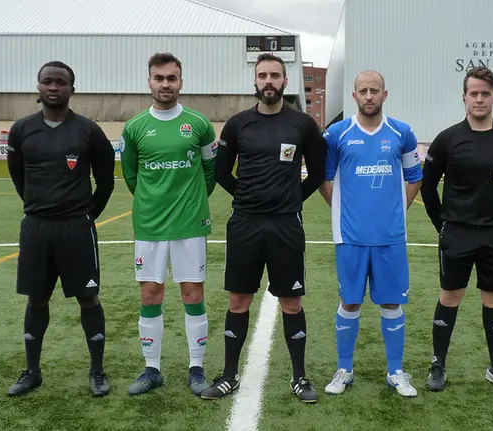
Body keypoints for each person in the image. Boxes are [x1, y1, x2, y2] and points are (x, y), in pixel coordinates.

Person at [200, 53, 327, 403]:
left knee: (291, 302)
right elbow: (222, 172)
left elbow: (317, 173)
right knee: (238, 300)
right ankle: (228, 375)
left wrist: (290, 199)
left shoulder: (302, 124)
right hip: (245, 224)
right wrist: (248, 196)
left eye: (275, 75)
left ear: (285, 82)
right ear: (254, 82)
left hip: (286, 224)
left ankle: (299, 378)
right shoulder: (238, 124)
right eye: (262, 75)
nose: (268, 81)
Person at [6, 61, 116, 397]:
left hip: (76, 230)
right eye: (47, 82)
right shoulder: (22, 130)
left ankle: (97, 372)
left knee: (88, 297)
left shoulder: (88, 131)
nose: (53, 87)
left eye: (61, 82)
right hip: (37, 229)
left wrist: (84, 215)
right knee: (36, 298)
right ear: (38, 88)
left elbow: (107, 182)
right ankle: (32, 371)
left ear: (72, 89)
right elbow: (18, 178)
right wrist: (39, 207)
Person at [420, 66, 493, 393]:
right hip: (456, 233)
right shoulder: (448, 139)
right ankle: (438, 364)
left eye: (485, 93)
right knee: (450, 297)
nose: (479, 99)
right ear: (464, 97)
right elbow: (428, 188)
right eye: (474, 93)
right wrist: (442, 223)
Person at [319, 70, 423, 398]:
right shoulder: (336, 133)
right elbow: (323, 178)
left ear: (384, 94)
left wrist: (396, 211)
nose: (368, 96)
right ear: (354, 96)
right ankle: (344, 369)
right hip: (349, 236)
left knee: (391, 302)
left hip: (390, 236)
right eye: (362, 90)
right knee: (349, 302)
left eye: (374, 90)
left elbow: (415, 176)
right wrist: (341, 210)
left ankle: (395, 371)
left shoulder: (401, 133)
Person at [119, 53, 218, 396]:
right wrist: (153, 203)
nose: (165, 84)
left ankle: (196, 368)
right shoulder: (133, 128)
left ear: (181, 82)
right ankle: (152, 369)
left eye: (171, 78)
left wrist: (191, 202)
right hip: (149, 226)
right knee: (150, 294)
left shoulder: (200, 124)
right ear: (149, 82)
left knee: (193, 294)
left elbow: (210, 171)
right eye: (159, 78)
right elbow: (130, 175)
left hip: (190, 225)